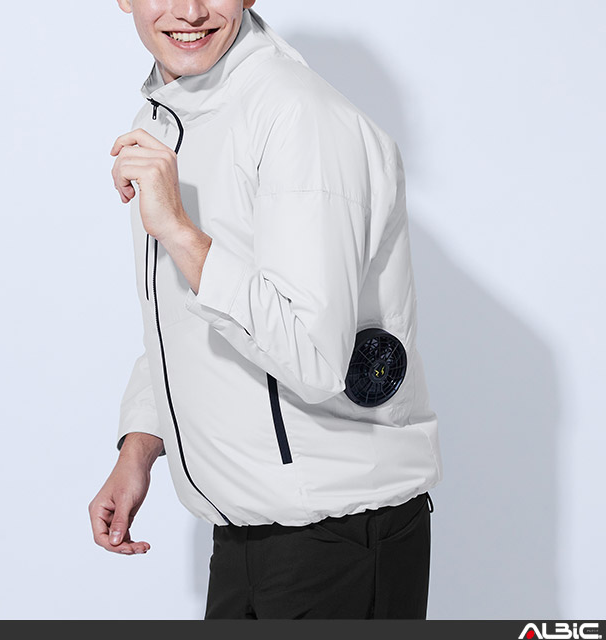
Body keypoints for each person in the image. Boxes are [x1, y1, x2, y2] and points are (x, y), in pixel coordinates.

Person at [88, 0, 443, 620]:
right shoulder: (171, 116)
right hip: (245, 533)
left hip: (337, 535)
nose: (189, 12)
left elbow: (313, 356)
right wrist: (140, 444)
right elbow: (186, 313)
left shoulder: (300, 118)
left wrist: (179, 231)